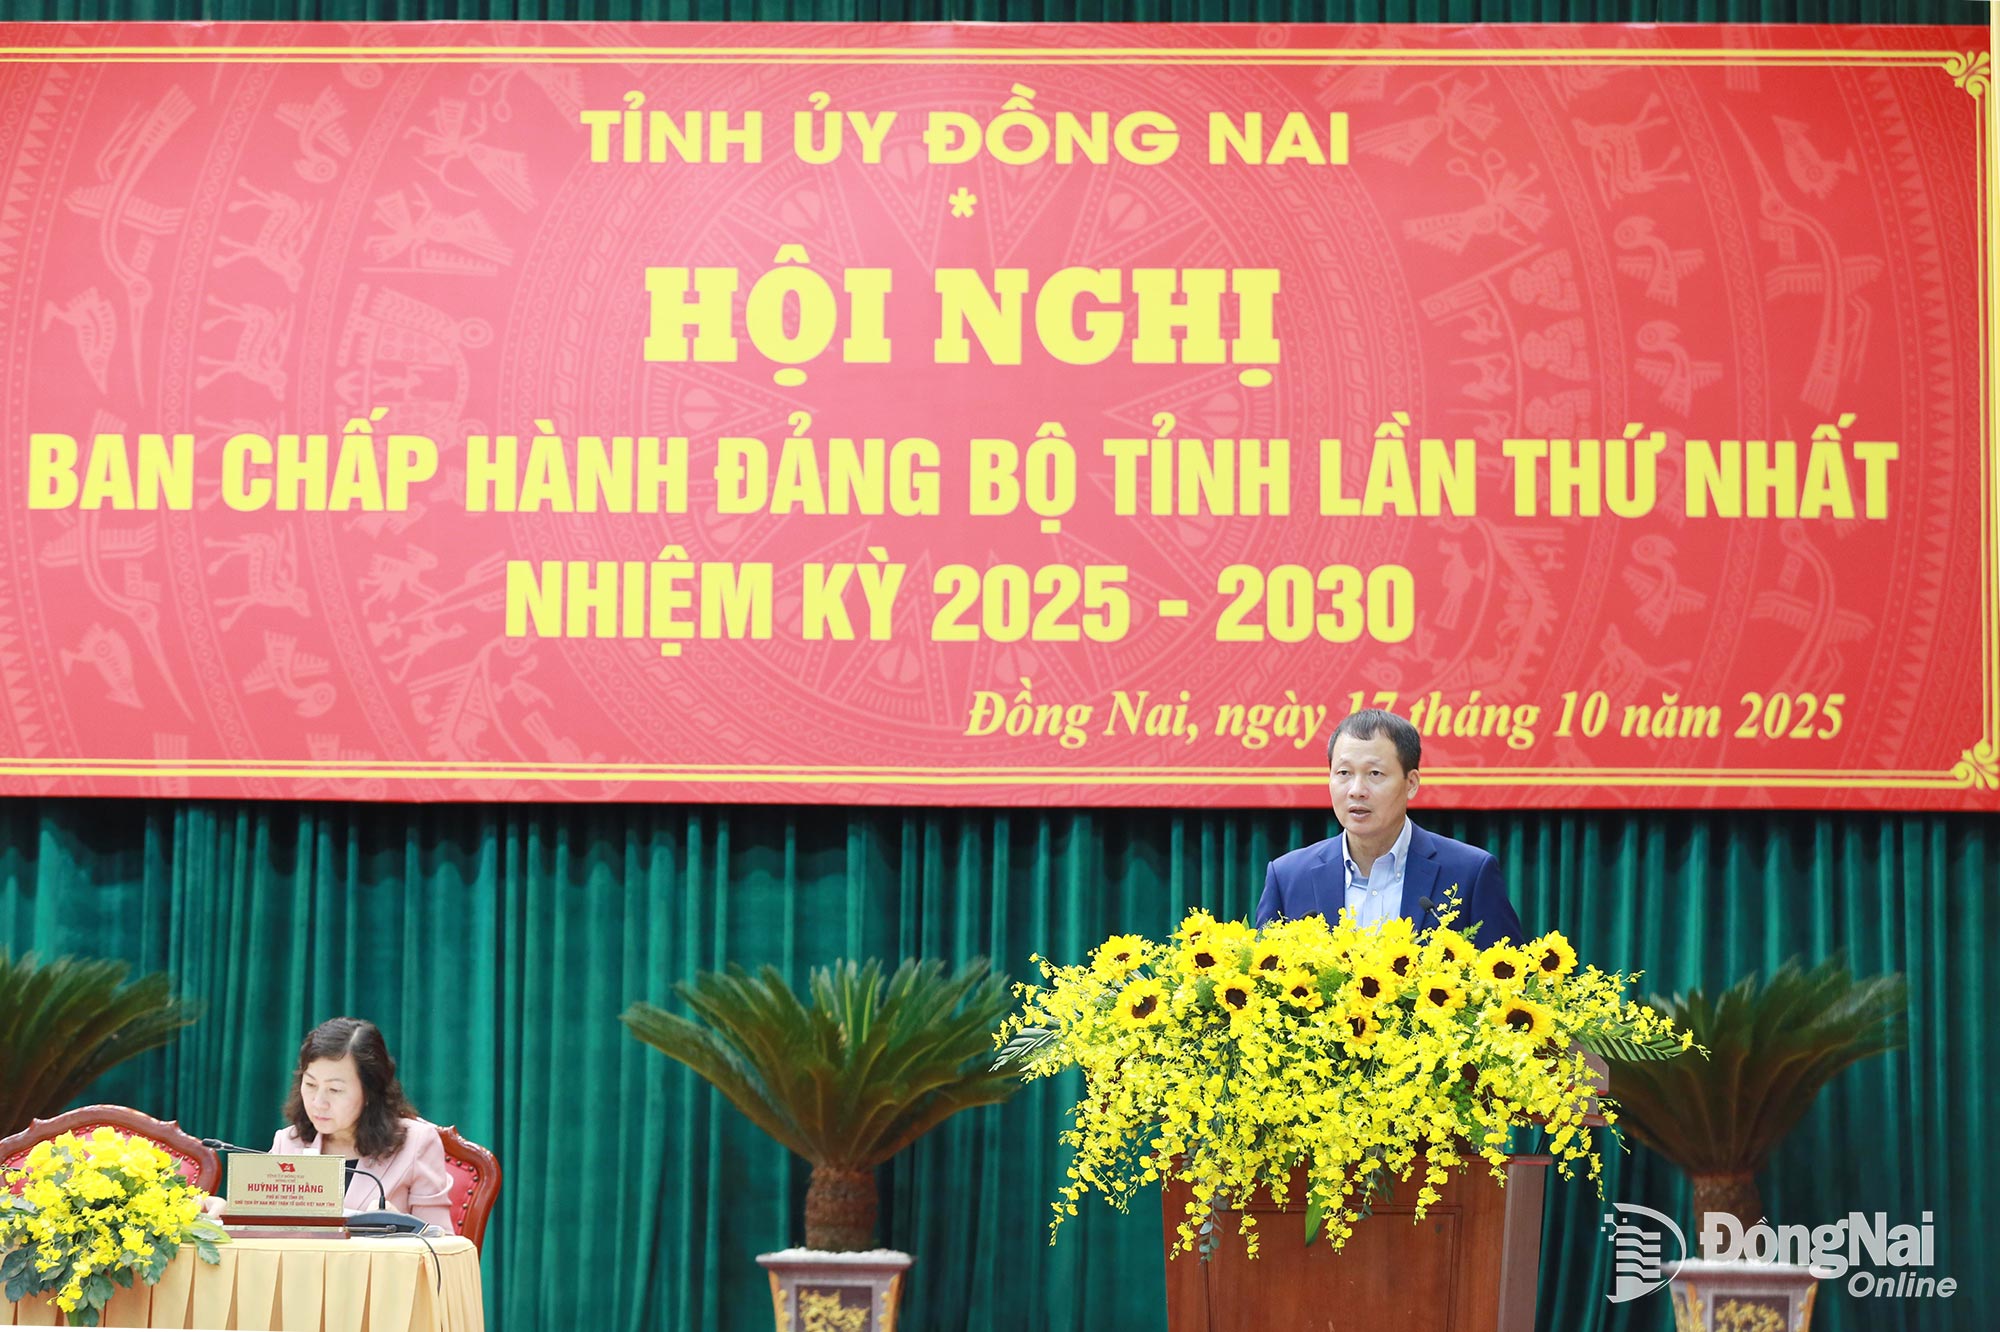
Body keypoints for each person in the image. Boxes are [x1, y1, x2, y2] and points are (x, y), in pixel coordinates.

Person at [1254, 709, 1522, 944]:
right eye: (1344, 773)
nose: (1356, 791)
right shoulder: (1288, 877)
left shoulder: (1470, 874)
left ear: (1411, 783)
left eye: (1375, 774)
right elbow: (1264, 987)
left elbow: (1507, 983)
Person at [269, 1017, 456, 1233]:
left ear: (370, 1091)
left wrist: (403, 1230)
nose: (318, 1103)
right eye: (310, 1084)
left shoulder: (417, 1143)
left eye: (335, 1090)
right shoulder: (288, 1143)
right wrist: (228, 1213)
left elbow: (442, 1248)